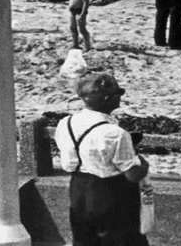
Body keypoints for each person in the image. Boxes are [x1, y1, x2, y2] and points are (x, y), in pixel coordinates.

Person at [53, 71, 149, 246]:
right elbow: (132, 175)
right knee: (121, 239)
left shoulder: (65, 123)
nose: (119, 99)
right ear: (107, 99)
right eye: (116, 95)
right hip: (111, 193)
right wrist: (143, 164)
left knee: (84, 239)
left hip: (79, 190)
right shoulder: (115, 133)